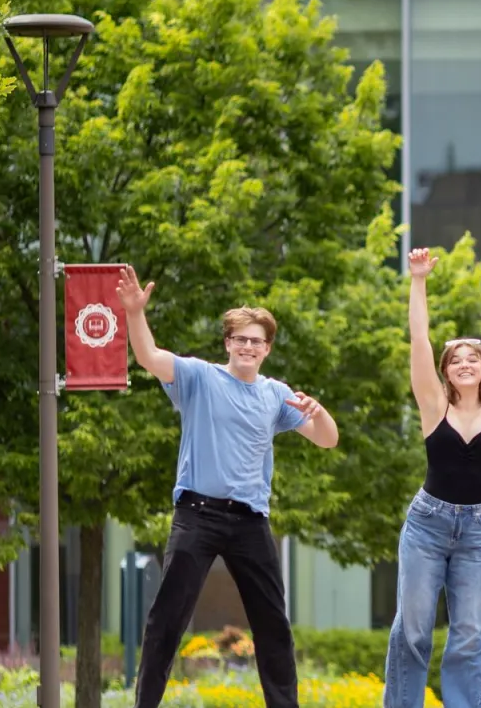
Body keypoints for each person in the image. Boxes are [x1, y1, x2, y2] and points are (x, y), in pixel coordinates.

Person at [115, 268, 340, 708]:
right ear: (228, 343)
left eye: (256, 341)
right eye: (241, 338)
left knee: (273, 623)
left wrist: (320, 411)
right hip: (197, 515)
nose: (248, 346)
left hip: (250, 523)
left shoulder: (276, 395)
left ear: (267, 349)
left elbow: (327, 439)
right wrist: (134, 313)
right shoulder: (200, 377)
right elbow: (148, 356)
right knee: (167, 619)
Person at [382, 248, 481, 708]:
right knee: (414, 627)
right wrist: (419, 280)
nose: (464, 364)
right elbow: (419, 339)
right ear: (446, 372)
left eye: (472, 359)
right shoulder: (433, 406)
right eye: (456, 360)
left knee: (469, 631)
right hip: (427, 524)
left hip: (477, 532)